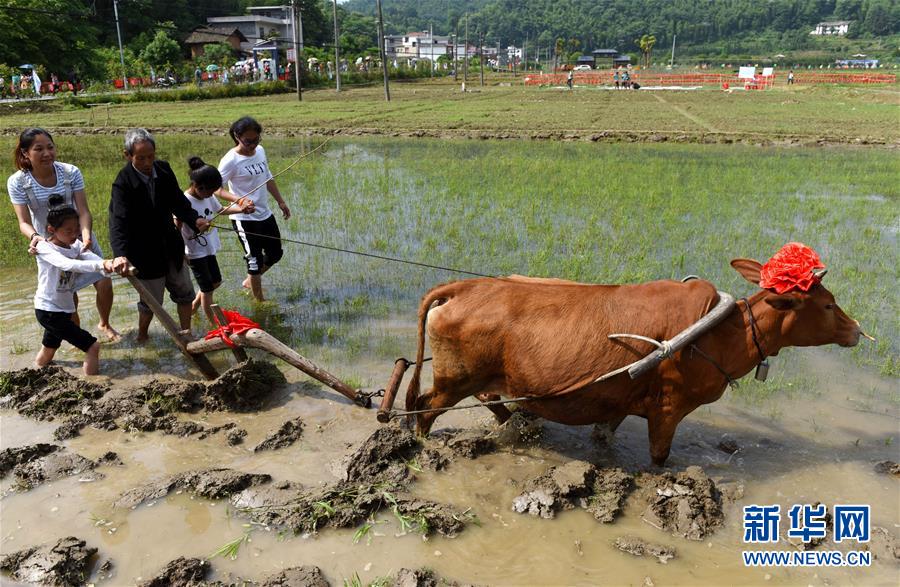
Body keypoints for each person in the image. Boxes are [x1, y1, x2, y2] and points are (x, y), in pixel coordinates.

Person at [8, 128, 120, 341]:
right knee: (67, 293)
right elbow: (23, 222)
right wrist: (35, 238)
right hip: (50, 244)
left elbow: (84, 211)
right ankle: (79, 338)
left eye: (50, 147)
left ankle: (105, 323)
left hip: (79, 237)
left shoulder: (70, 172)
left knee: (105, 280)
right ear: (25, 154)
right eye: (39, 149)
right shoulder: (18, 182)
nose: (47, 153)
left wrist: (85, 235)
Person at [109, 128, 209, 343]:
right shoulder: (123, 183)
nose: (147, 162)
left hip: (170, 244)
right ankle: (142, 336)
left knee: (185, 292)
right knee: (151, 301)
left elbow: (178, 202)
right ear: (127, 156)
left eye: (151, 156)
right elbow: (118, 223)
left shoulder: (163, 170)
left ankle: (186, 334)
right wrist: (120, 255)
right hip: (144, 251)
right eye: (141, 158)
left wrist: (194, 219)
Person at [34, 201, 117, 375]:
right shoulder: (44, 248)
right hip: (49, 311)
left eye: (77, 229)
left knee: (49, 349)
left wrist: (109, 265)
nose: (75, 234)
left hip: (62, 310)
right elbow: (67, 264)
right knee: (93, 346)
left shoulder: (76, 245)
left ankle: (35, 371)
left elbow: (91, 257)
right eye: (68, 231)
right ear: (51, 230)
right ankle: (94, 383)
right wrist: (102, 264)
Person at [217, 116, 290, 301]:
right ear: (237, 136)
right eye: (248, 141)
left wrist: (281, 201)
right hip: (244, 219)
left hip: (264, 214)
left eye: (256, 140)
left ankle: (250, 280)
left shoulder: (260, 152)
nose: (253, 144)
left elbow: (268, 177)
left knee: (275, 253)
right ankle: (260, 303)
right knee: (254, 261)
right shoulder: (230, 160)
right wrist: (239, 200)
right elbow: (216, 188)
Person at [181, 156, 252, 324]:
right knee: (207, 290)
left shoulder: (207, 196)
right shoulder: (184, 202)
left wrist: (241, 209)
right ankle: (214, 322)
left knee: (215, 282)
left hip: (209, 248)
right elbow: (177, 229)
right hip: (194, 253)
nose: (212, 195)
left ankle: (194, 306)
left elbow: (220, 209)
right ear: (198, 187)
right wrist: (195, 234)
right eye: (210, 191)